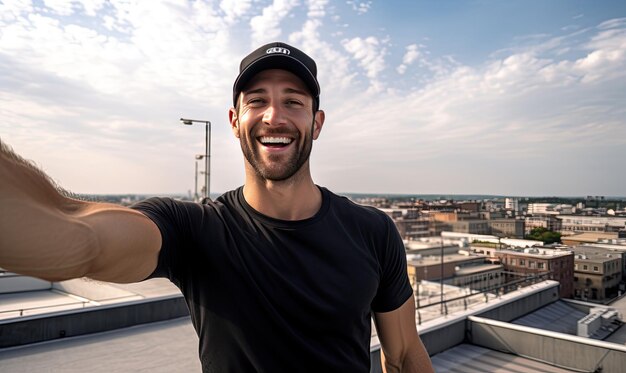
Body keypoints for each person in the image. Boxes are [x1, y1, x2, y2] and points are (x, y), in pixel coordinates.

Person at [0, 42, 434, 372]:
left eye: (294, 101)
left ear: (316, 123)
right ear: (234, 121)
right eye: (257, 100)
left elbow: (403, 353)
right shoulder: (195, 231)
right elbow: (78, 237)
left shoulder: (372, 231)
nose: (273, 116)